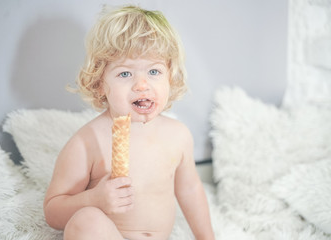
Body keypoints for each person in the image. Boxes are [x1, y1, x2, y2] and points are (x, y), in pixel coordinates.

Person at [43, 5, 215, 240]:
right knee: (86, 222)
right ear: (100, 83)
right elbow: (53, 211)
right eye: (125, 74)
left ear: (170, 76)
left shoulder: (178, 135)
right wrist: (94, 199)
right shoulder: (86, 142)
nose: (142, 85)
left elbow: (190, 190)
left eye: (154, 72)